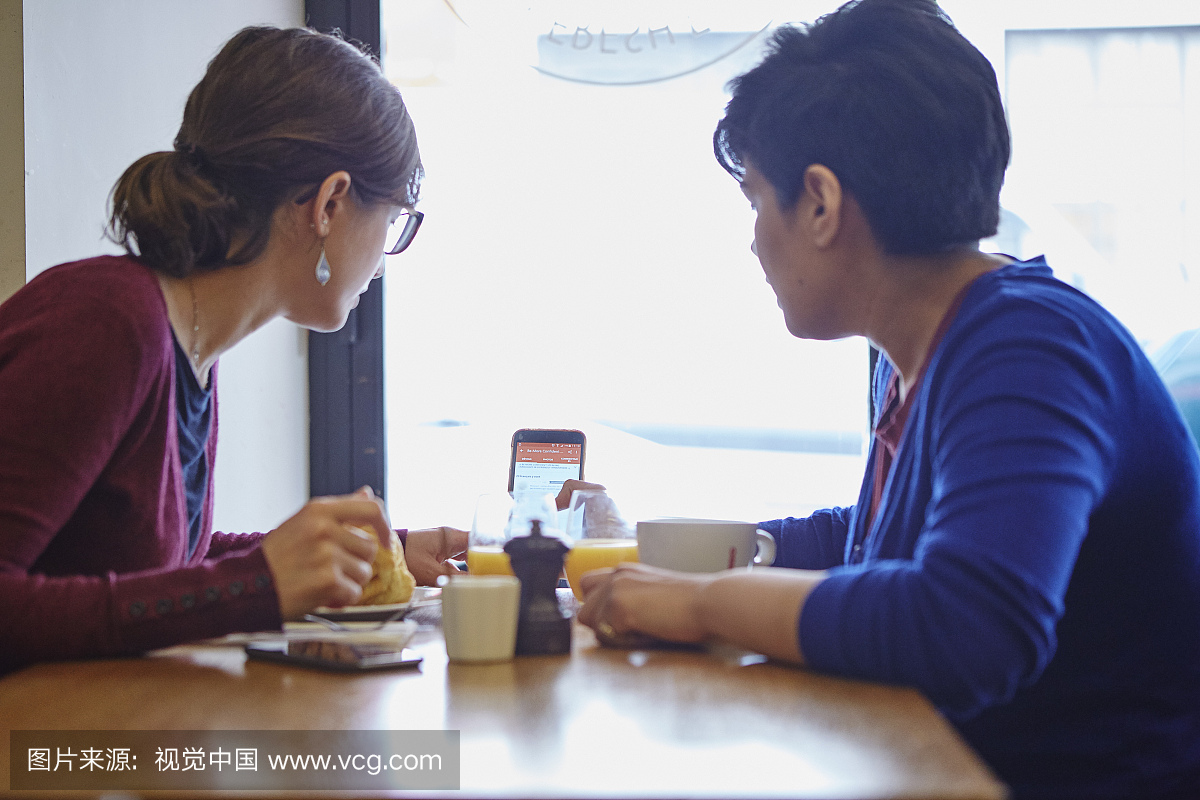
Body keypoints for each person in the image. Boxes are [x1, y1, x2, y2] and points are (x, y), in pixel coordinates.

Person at [577, 1, 1200, 798]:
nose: (754, 240)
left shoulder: (1028, 348)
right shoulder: (929, 338)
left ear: (821, 203)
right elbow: (868, 545)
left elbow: (968, 629)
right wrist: (637, 555)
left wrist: (705, 604)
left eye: (757, 202)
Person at [0, 25, 591, 674]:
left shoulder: (189, 342)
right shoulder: (108, 322)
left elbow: (147, 565)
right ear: (331, 203)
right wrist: (255, 587)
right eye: (393, 223)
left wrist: (371, 552)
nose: (382, 264)